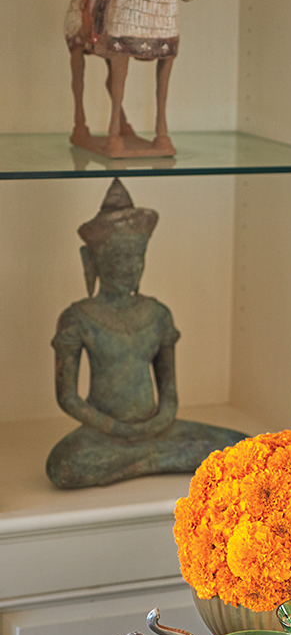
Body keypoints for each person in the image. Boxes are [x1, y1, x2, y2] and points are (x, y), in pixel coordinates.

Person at [46, 179, 244, 488]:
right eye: (118, 258)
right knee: (63, 467)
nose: (129, 267)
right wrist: (117, 429)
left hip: (159, 428)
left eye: (135, 257)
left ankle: (146, 459)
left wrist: (161, 421)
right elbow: (68, 397)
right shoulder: (77, 318)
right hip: (104, 434)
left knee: (243, 447)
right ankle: (155, 460)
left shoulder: (157, 314)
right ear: (93, 261)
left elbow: (169, 391)